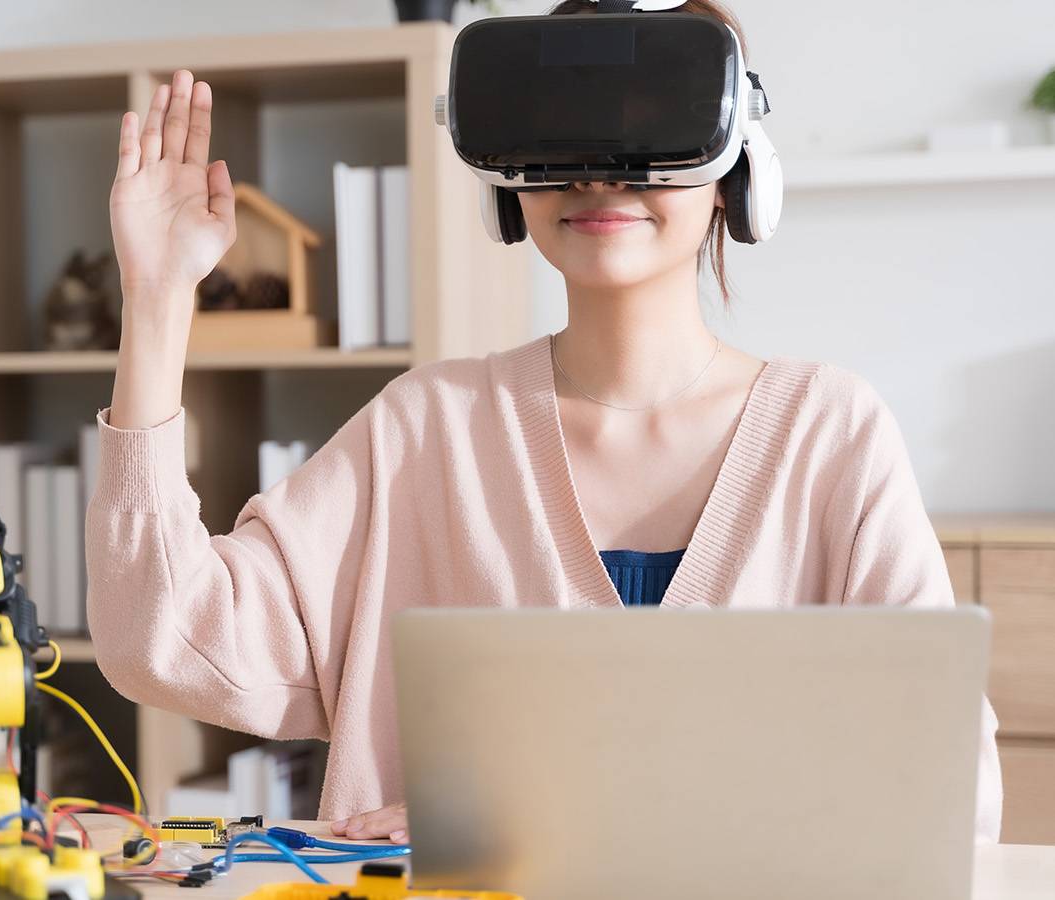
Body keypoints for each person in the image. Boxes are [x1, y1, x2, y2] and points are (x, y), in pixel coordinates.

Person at [88, 0, 1003, 846]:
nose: (597, 175)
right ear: (506, 182)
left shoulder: (827, 435)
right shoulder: (425, 431)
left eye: (649, 130)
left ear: (734, 171)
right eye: (560, 135)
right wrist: (158, 301)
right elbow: (162, 640)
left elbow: (954, 786)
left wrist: (529, 819)